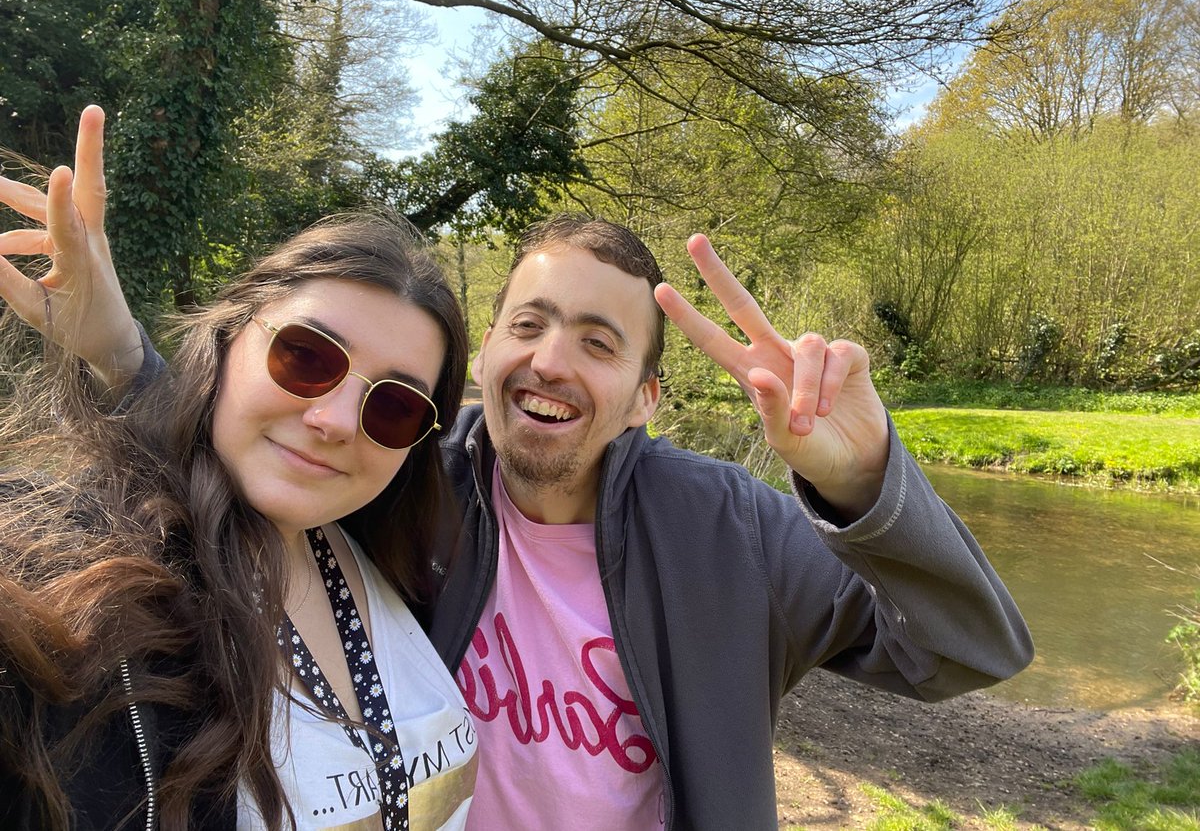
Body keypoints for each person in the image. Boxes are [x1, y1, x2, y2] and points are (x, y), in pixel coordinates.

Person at [5, 111, 1033, 830]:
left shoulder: (733, 531)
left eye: (598, 342)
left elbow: (964, 652)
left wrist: (865, 482)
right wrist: (124, 355)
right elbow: (260, 446)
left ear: (646, 398)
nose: (549, 361)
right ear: (487, 352)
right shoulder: (407, 470)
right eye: (528, 324)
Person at [0, 107, 477, 830]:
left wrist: (127, 361)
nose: (335, 421)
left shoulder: (398, 557)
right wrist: (119, 352)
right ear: (226, 340)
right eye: (306, 357)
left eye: (394, 406)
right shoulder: (83, 584)